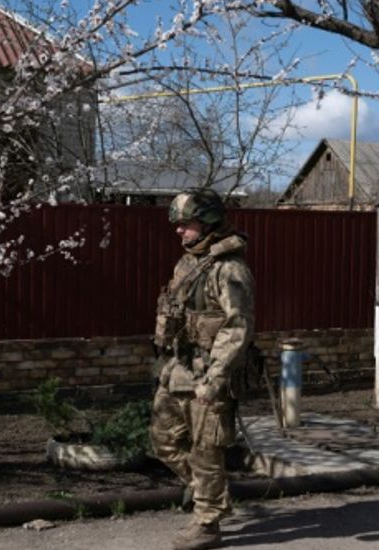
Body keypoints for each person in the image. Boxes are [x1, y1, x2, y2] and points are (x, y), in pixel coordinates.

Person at [151, 188, 255, 550]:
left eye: (186, 223)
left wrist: (215, 379)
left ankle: (208, 522)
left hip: (210, 373)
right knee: (163, 440)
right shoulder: (190, 263)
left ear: (208, 220)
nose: (179, 230)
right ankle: (208, 493)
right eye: (177, 224)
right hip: (179, 368)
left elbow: (237, 326)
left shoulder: (229, 268)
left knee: (206, 450)